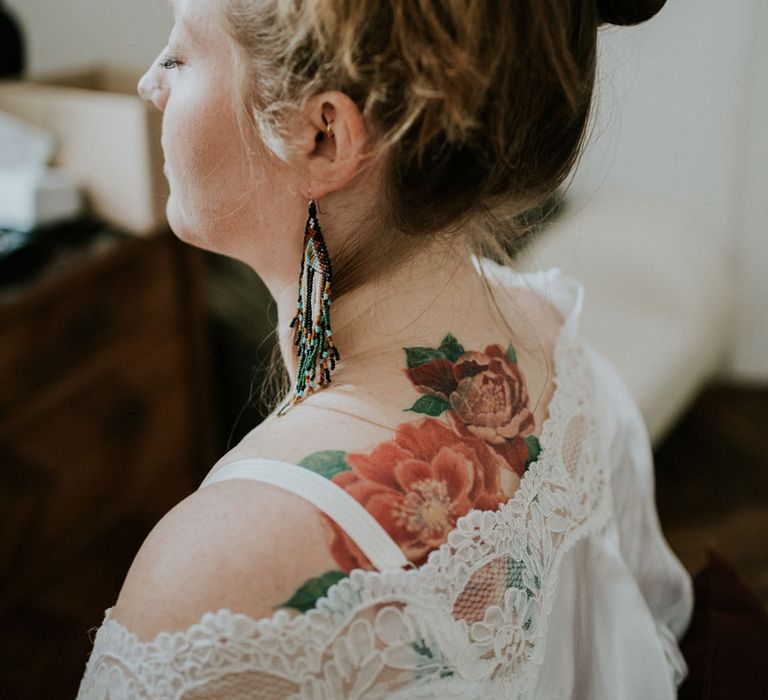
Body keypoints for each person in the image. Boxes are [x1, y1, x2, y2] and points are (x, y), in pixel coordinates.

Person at [77, 0, 693, 697]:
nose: (149, 84)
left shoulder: (209, 581)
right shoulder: (560, 340)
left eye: (180, 55)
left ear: (323, 137)